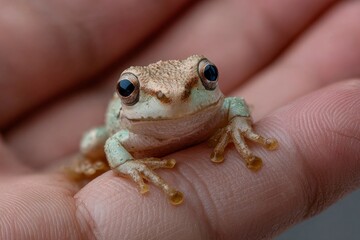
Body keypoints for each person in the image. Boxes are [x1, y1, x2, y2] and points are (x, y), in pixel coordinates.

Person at [1, 0, 359, 239]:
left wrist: (239, 126)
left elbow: (235, 105)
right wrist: (126, 166)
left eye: (206, 76)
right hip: (134, 131)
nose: (173, 100)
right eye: (130, 88)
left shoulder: (217, 106)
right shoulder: (127, 135)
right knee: (90, 143)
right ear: (126, 95)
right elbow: (112, 142)